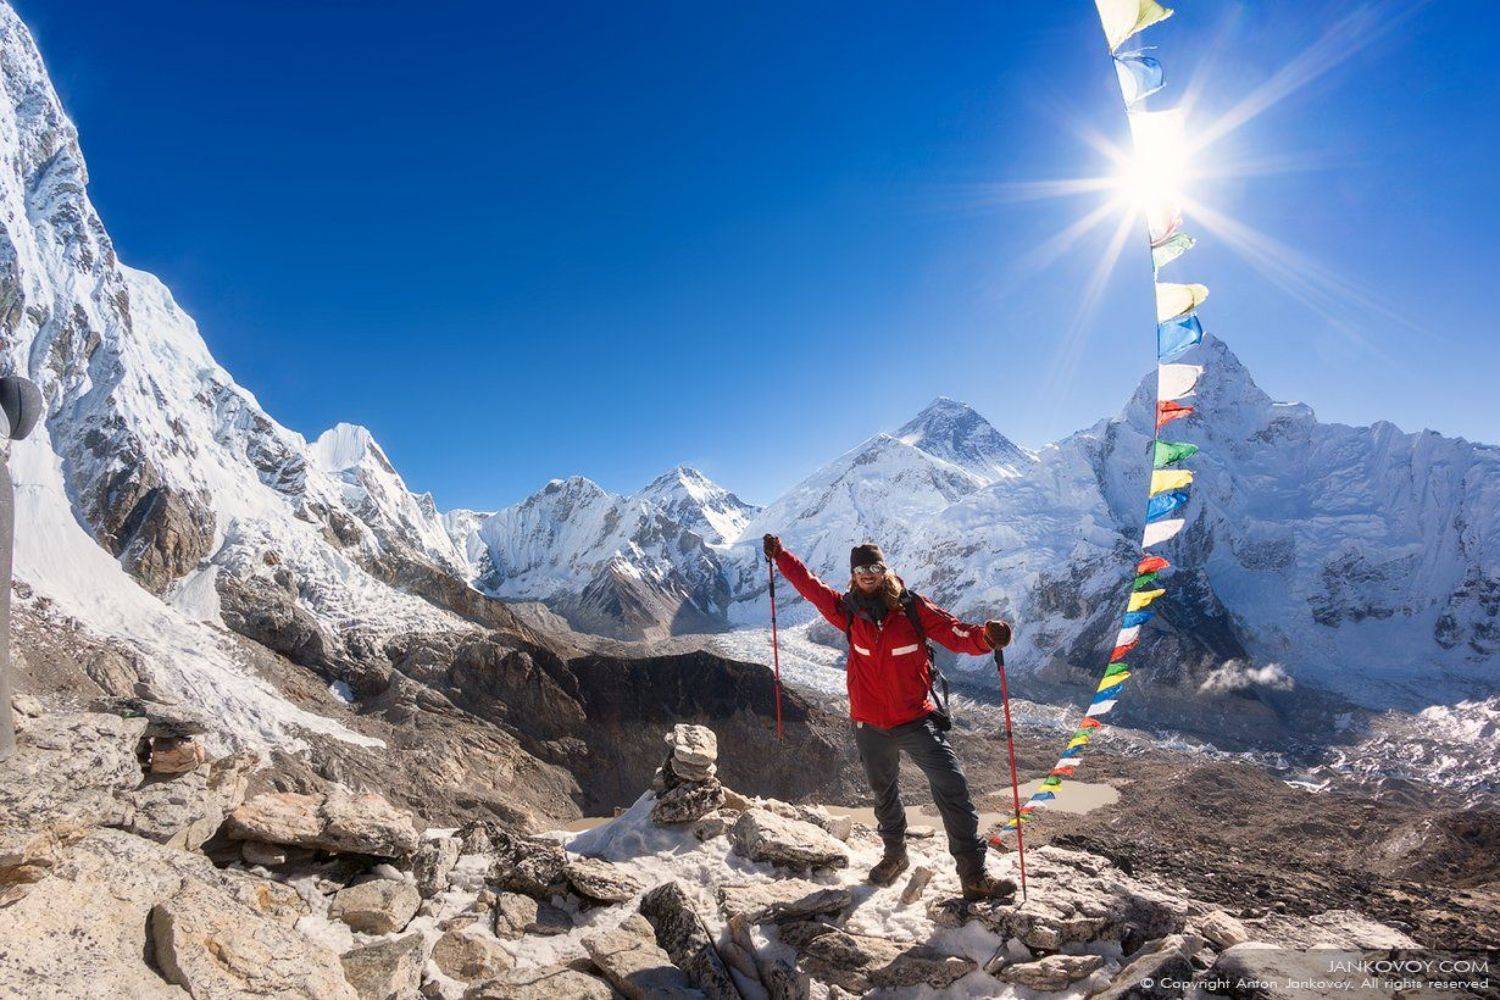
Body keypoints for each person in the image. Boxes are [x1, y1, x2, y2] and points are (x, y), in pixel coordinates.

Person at [763, 533, 1016, 900]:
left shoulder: (912, 608)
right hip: (870, 723)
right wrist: (781, 556)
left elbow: (953, 632)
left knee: (952, 786)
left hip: (915, 718)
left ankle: (973, 875)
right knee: (884, 794)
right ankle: (895, 856)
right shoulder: (845, 610)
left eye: (874, 567)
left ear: (884, 569)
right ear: (853, 574)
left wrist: (985, 639)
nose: (868, 574)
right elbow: (809, 586)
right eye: (861, 568)